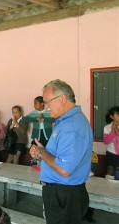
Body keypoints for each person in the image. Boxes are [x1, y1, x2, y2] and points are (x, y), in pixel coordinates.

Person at [29, 79, 93, 224]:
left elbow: (64, 169)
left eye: (47, 102)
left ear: (62, 98)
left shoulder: (72, 126)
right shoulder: (65, 121)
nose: (45, 107)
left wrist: (41, 153)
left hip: (64, 194)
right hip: (62, 192)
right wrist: (43, 151)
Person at [103, 106, 119, 180]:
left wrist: (117, 132)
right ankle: (108, 189)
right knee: (110, 170)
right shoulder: (107, 127)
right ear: (112, 117)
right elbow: (106, 142)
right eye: (118, 114)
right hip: (111, 153)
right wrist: (112, 132)